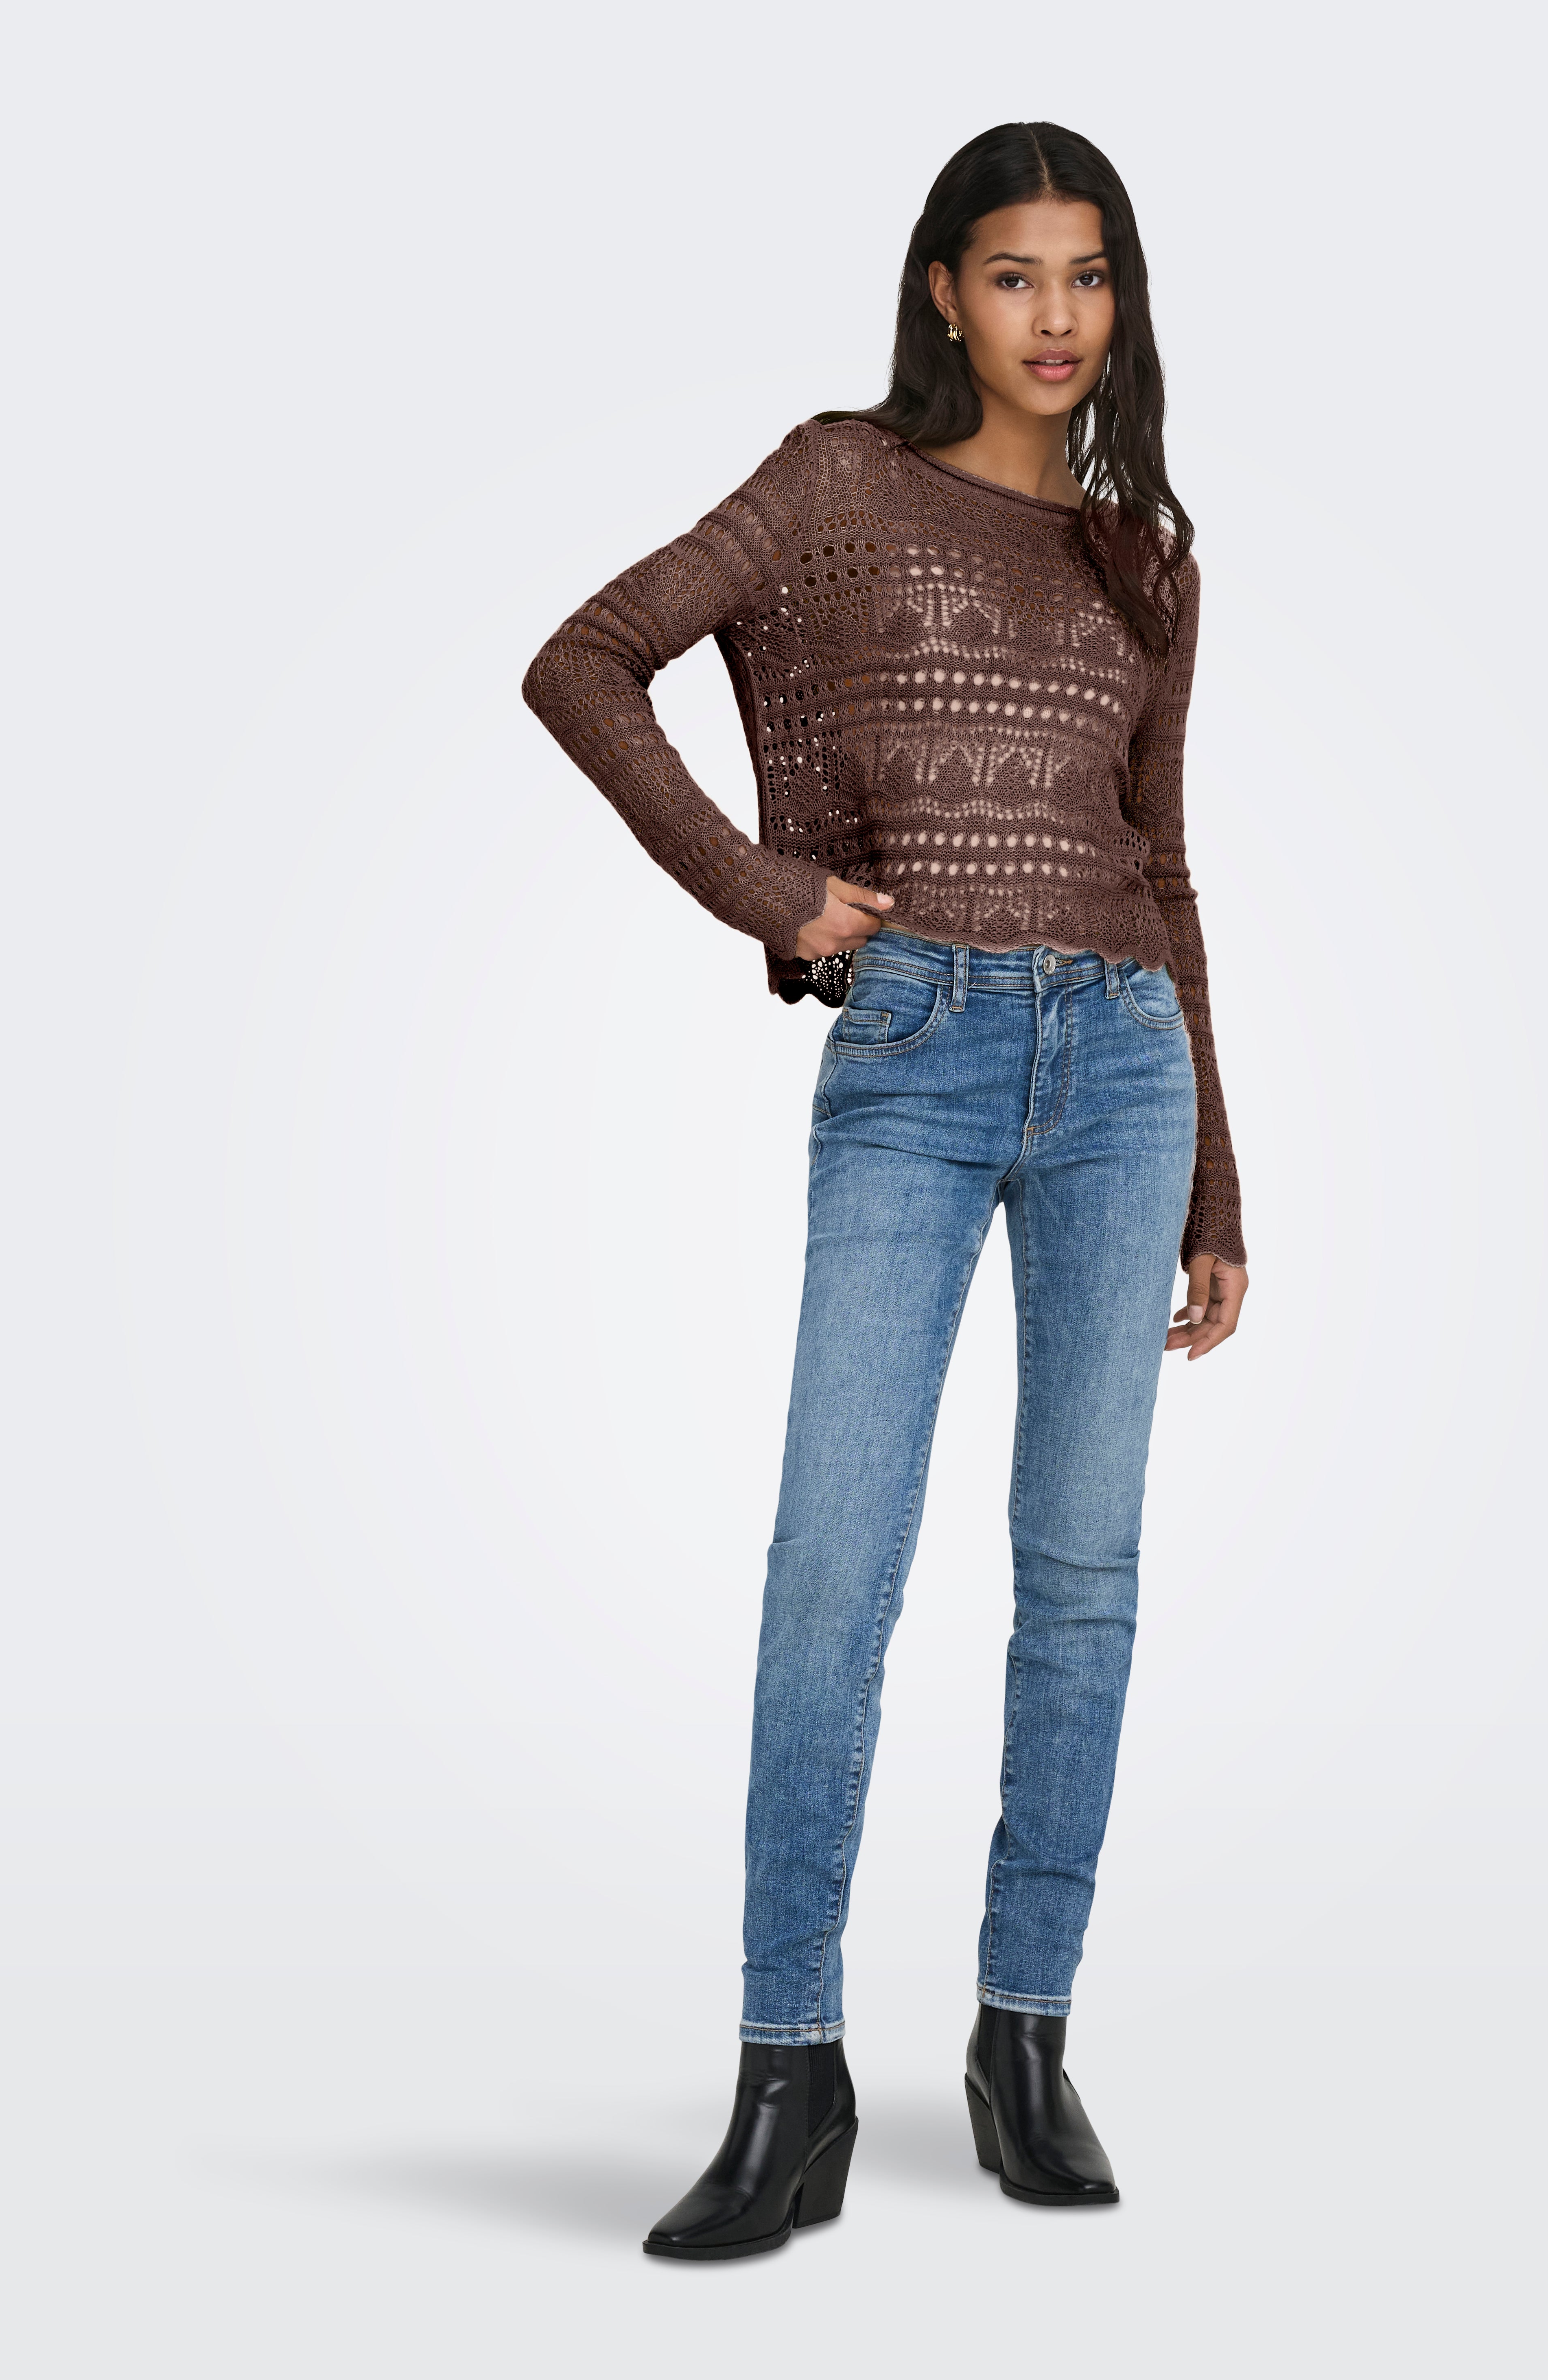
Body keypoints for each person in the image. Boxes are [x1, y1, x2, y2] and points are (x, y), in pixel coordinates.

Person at [523, 120, 1249, 2259]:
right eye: (1015, 274)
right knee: (831, 1574)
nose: (1056, 317)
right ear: (943, 288)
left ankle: (1024, 2038)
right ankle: (789, 2073)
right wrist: (765, 891)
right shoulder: (836, 482)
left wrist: (1218, 1175)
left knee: (1083, 1576)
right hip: (917, 1048)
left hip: (1123, 1061)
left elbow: (1166, 869)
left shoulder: (1145, 558)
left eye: (1089, 277)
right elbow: (586, 658)